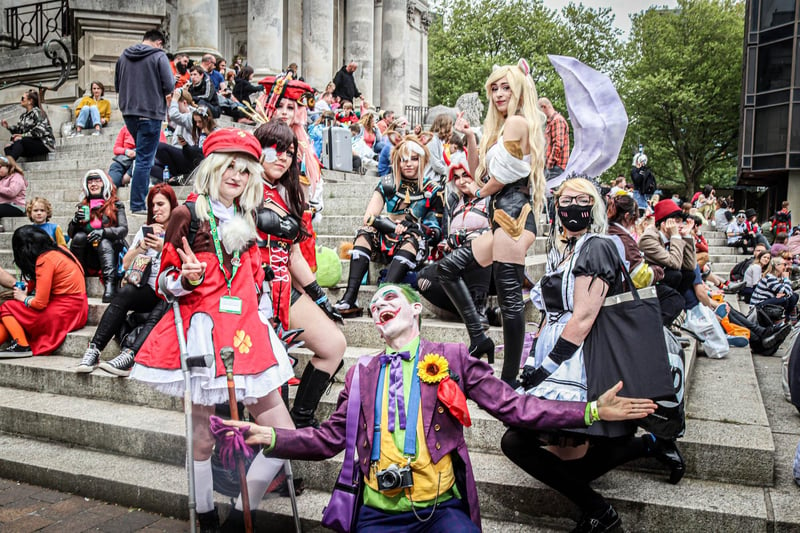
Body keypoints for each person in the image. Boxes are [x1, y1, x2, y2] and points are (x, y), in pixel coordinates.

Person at [223, 283, 656, 532]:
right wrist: (273, 437)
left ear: (415, 309)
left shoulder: (452, 357)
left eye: (388, 298)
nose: (379, 308)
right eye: (373, 307)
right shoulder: (362, 373)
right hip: (377, 512)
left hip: (441, 511)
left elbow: (517, 409)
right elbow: (328, 439)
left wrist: (591, 412)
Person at [130, 128, 296, 530]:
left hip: (246, 332)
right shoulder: (187, 213)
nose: (236, 177)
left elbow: (254, 277)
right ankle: (205, 517)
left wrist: (263, 309)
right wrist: (183, 279)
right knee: (202, 438)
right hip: (203, 331)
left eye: (245, 170)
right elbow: (162, 283)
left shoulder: (247, 215)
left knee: (284, 436)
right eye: (230, 168)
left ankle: (240, 515)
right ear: (213, 168)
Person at [504, 177, 684, 533]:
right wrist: (531, 361)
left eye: (581, 198)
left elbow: (584, 317)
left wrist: (544, 369)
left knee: (517, 441)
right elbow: (550, 316)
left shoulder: (598, 246)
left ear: (594, 206)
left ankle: (602, 513)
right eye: (565, 198)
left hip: (580, 363)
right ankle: (650, 445)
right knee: (557, 460)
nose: (572, 205)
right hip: (557, 359)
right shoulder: (564, 251)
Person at [454, 58, 545, 385]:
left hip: (514, 214)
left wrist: (478, 192)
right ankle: (480, 338)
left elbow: (501, 176)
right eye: (494, 87)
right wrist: (471, 138)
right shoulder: (501, 127)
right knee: (448, 269)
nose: (498, 93)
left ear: (520, 90)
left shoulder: (518, 123)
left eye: (506, 87)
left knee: (509, 301)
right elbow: (481, 171)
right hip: (502, 213)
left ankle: (509, 380)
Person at [254, 119, 346, 428]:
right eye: (276, 149)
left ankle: (302, 417)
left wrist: (321, 299)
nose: (282, 157)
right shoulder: (241, 186)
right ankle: (269, 457)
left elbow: (293, 254)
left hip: (283, 289)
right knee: (269, 374)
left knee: (334, 345)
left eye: (289, 152)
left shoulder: (290, 192)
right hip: (248, 293)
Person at [333, 133, 444, 317]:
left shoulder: (433, 189)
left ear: (422, 160)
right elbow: (369, 217)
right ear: (397, 162)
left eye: (414, 159)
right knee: (365, 232)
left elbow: (436, 231)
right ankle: (349, 298)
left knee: (412, 238)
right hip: (387, 235)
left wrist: (415, 228)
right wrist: (393, 227)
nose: (408, 164)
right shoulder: (388, 183)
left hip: (414, 242)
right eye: (403, 160)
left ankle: (381, 298)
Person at [77, 183, 178, 376]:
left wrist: (163, 247)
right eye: (152, 206)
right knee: (125, 292)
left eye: (160, 204)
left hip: (170, 290)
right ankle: (94, 350)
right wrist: (141, 246)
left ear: (172, 205)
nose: (156, 209)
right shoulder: (146, 230)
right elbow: (124, 264)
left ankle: (130, 355)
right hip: (147, 289)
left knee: (166, 299)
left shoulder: (180, 228)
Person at [417, 152, 494, 360]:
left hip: (486, 261)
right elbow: (447, 236)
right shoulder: (454, 202)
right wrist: (449, 243)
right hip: (456, 263)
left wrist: (464, 238)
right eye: (457, 177)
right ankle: (468, 309)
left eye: (465, 175)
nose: (461, 181)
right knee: (423, 279)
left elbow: (496, 232)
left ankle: (479, 308)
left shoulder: (490, 199)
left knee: (479, 249)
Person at [0, 226, 87, 357]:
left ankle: (22, 346)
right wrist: (27, 289)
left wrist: (23, 298)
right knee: (11, 318)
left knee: (7, 307)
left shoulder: (44, 260)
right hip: (78, 309)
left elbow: (40, 303)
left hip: (62, 313)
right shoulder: (60, 250)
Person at [115, 28, 174, 215]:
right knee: (144, 159)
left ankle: (137, 200)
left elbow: (117, 84)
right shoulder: (159, 55)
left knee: (142, 155)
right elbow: (169, 85)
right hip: (150, 112)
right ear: (159, 43)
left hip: (129, 112)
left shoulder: (124, 56)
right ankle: (138, 204)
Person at [68, 170, 128, 303]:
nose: (93, 184)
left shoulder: (116, 204)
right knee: (79, 237)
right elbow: (71, 234)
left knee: (104, 241)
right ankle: (77, 280)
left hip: (110, 251)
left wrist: (104, 232)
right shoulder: (82, 206)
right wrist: (74, 222)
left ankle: (110, 285)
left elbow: (123, 229)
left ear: (104, 183)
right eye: (90, 181)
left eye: (97, 180)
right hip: (88, 254)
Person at [638, 199, 697, 327]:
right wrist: (676, 237)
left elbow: (690, 265)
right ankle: (665, 314)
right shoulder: (649, 238)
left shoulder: (672, 236)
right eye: (676, 221)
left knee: (689, 275)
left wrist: (686, 237)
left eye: (680, 221)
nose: (679, 225)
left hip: (664, 278)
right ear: (663, 223)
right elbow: (674, 263)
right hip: (647, 282)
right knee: (676, 274)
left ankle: (673, 313)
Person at [606, 192, 663, 288]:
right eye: (635, 217)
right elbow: (640, 278)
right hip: (622, 292)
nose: (635, 222)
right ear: (627, 216)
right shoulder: (623, 239)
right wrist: (658, 270)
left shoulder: (606, 232)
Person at [151, 106, 216, 183]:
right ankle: (173, 178)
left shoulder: (215, 132)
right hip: (189, 158)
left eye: (200, 122)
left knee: (160, 147)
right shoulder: (199, 130)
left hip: (197, 164)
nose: (197, 124)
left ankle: (175, 178)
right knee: (150, 166)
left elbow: (202, 154)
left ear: (207, 120)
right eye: (196, 122)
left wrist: (186, 146)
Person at [2, 89, 55, 160]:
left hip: (44, 143)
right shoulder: (23, 116)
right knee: (8, 146)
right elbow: (19, 131)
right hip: (29, 143)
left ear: (30, 101)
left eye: (22, 98)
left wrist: (22, 136)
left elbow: (40, 131)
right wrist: (8, 127)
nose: (21, 101)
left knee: (20, 140)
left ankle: (8, 164)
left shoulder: (37, 112)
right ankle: (11, 165)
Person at [751, 256, 798, 321]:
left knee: (794, 296)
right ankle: (784, 318)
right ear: (776, 266)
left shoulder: (778, 277)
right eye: (784, 264)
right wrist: (786, 278)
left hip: (767, 302)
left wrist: (785, 293)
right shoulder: (770, 278)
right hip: (757, 305)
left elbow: (789, 292)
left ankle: (787, 317)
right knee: (784, 299)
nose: (786, 267)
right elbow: (786, 291)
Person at [538, 97, 569, 180]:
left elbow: (558, 145)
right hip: (552, 168)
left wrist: (548, 165)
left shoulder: (557, 120)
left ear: (544, 107)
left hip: (556, 168)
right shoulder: (550, 122)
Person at [426, 114, 453, 182]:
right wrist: (451, 172)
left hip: (438, 178)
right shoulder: (433, 140)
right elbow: (436, 164)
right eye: (451, 125)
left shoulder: (441, 140)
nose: (452, 128)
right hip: (431, 179)